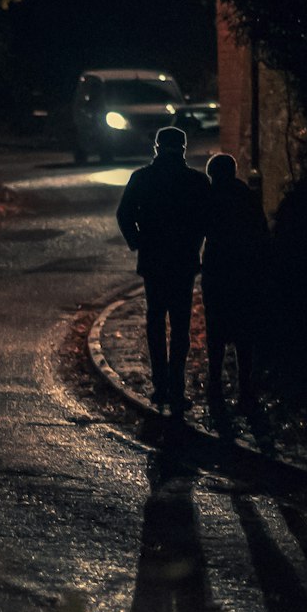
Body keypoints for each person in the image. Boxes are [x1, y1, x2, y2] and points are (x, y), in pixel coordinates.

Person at [116, 126, 210, 413]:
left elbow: (124, 214)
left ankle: (160, 386)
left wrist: (138, 242)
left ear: (156, 148)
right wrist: (195, 242)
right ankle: (177, 386)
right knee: (180, 325)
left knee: (155, 321)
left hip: (153, 260)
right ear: (182, 148)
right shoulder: (196, 180)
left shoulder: (142, 178)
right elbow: (208, 217)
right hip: (183, 261)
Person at [201, 153, 270, 413]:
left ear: (212, 174)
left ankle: (215, 384)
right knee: (244, 331)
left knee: (216, 329)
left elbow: (201, 229)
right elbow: (261, 231)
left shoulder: (209, 198)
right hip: (244, 269)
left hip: (217, 269)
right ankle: (245, 388)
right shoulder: (247, 196)